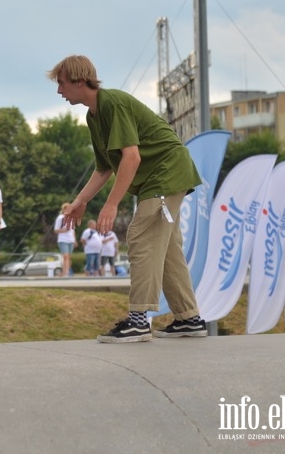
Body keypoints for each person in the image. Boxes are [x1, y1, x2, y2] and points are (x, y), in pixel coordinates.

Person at [48, 54, 207, 343]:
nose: (59, 90)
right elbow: (105, 167)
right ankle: (189, 319)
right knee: (167, 248)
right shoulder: (93, 116)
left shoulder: (112, 103)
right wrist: (81, 201)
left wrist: (111, 204)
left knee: (141, 236)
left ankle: (138, 321)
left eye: (61, 83)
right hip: (160, 176)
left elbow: (131, 158)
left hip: (166, 172)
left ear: (80, 80)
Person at [53, 202, 76, 276]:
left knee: (68, 257)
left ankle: (67, 271)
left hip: (70, 240)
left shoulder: (72, 218)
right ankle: (65, 272)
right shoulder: (60, 218)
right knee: (65, 256)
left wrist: (74, 240)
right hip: (63, 239)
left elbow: (73, 230)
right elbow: (56, 230)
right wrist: (64, 230)